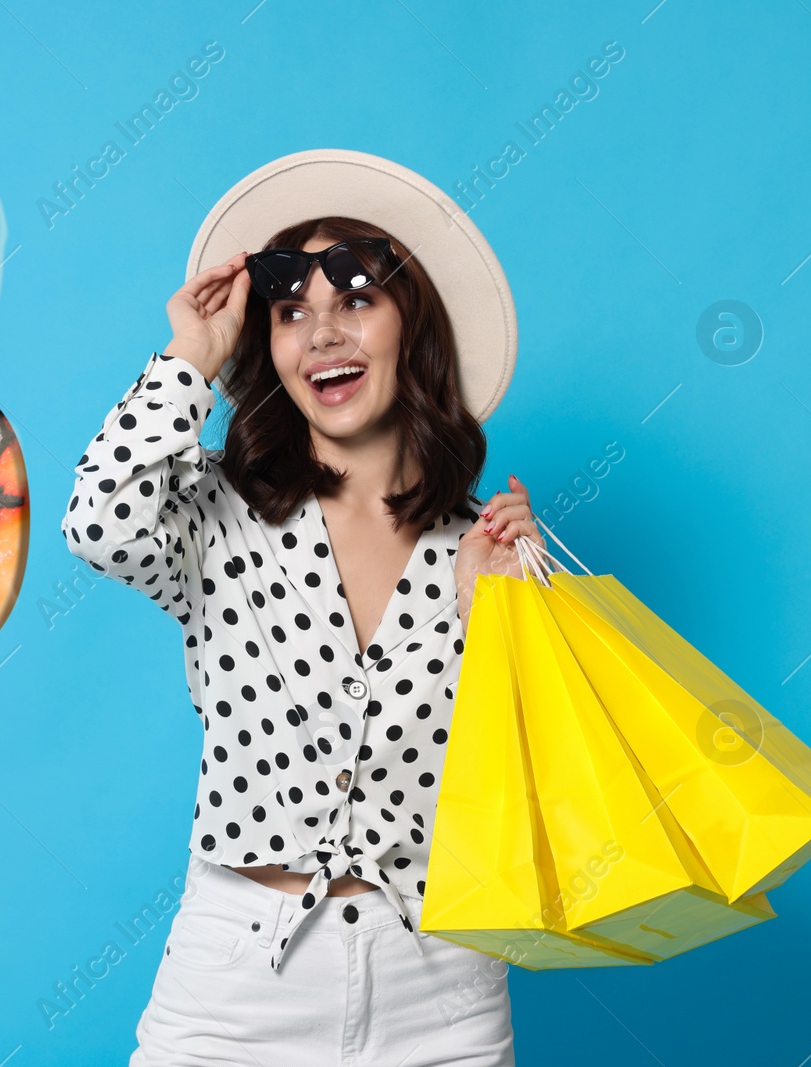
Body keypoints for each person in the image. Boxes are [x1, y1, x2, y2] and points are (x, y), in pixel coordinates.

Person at [60, 150, 542, 1065]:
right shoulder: (215, 513)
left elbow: (534, 788)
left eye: (356, 299)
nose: (322, 333)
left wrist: (500, 622)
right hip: (240, 975)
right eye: (292, 313)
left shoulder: (488, 547)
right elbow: (99, 523)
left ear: (414, 326)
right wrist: (189, 359)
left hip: (442, 978)